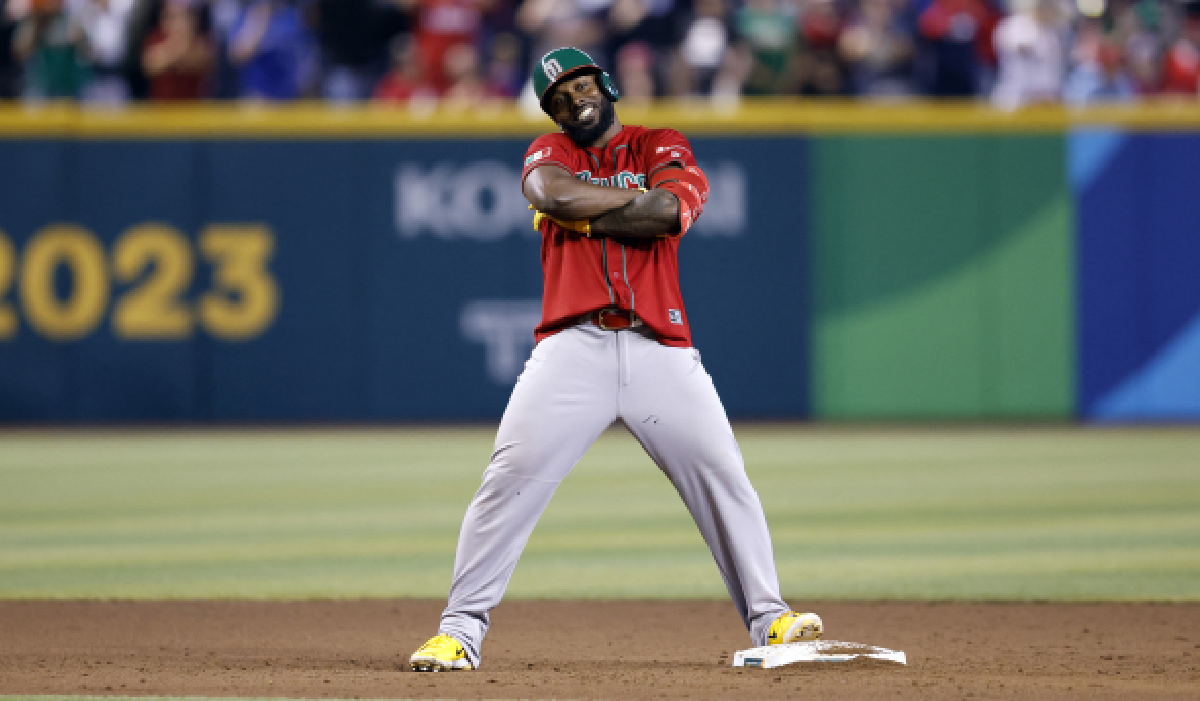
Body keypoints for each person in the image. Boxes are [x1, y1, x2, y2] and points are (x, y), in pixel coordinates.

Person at [408, 46, 822, 673]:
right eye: (559, 97)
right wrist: (596, 206)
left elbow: (666, 213)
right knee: (507, 485)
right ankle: (458, 634)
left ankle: (771, 622)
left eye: (579, 84)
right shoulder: (550, 154)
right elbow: (550, 192)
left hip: (661, 347)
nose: (573, 99)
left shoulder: (660, 141)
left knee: (723, 477)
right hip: (571, 347)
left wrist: (584, 215)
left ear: (604, 82)